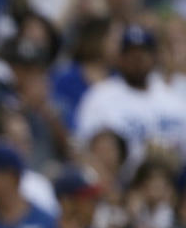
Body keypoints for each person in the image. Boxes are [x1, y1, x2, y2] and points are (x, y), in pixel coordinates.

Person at [75, 24, 186, 171]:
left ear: (154, 57)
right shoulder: (99, 97)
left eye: (143, 54)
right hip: (121, 183)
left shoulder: (174, 98)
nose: (137, 60)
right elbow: (85, 150)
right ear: (120, 58)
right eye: (131, 54)